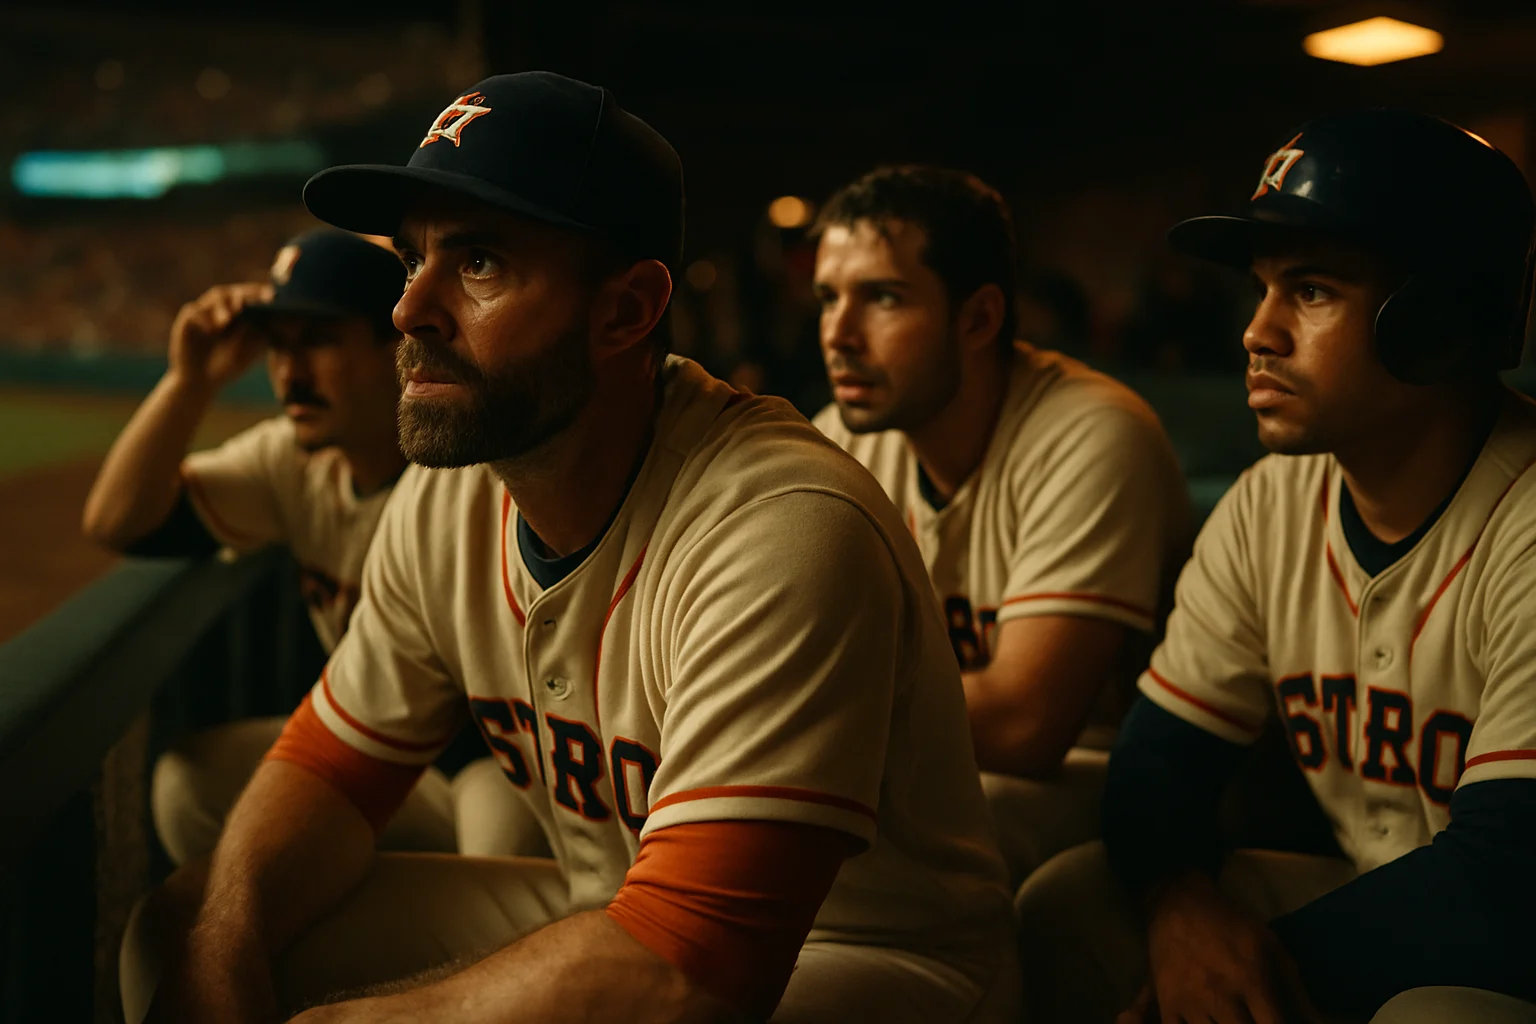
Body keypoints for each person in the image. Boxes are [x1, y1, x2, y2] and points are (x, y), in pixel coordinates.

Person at [121, 71, 1018, 1024]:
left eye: (477, 264)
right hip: (612, 901)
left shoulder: (780, 522)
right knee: (183, 930)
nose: (408, 309)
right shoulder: (448, 498)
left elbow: (692, 973)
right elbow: (332, 768)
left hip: (866, 957)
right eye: (408, 259)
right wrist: (226, 944)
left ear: (626, 311)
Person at [1015, 110, 1536, 1024]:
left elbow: (1510, 879)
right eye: (1260, 291)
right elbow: (1156, 773)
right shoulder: (1269, 507)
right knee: (1071, 903)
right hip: (1386, 894)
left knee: (1444, 1014)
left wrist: (1226, 982)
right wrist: (1182, 915)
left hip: (1514, 941)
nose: (1257, 332)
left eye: (1312, 290)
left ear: (1440, 316)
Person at [810, 165, 1191, 885]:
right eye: (828, 298)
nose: (839, 334)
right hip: (936, 761)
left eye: (883, 298)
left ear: (979, 318)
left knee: (883, 834)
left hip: (1114, 789)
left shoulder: (1091, 432)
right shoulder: (839, 438)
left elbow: (1025, 726)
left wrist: (806, 699)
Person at [82, 229, 457, 863]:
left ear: (400, 342)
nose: (290, 373)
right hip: (374, 750)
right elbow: (119, 521)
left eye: (319, 340)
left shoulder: (465, 475)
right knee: (189, 783)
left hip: (478, 768)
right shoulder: (296, 458)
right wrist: (189, 383)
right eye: (277, 346)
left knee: (500, 824)